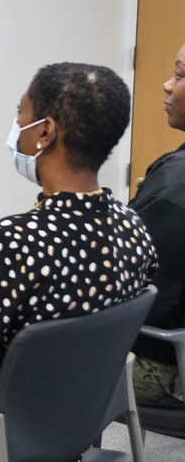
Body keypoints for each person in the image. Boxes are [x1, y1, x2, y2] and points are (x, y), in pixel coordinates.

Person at [0, 62, 157, 462]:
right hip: (71, 435)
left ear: (46, 132)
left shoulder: (5, 246)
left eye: (21, 113)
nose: (15, 124)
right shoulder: (133, 228)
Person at [131, 42, 185, 408]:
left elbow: (135, 295)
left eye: (180, 75)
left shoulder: (175, 191)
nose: (167, 84)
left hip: (169, 363)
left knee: (24, 361)